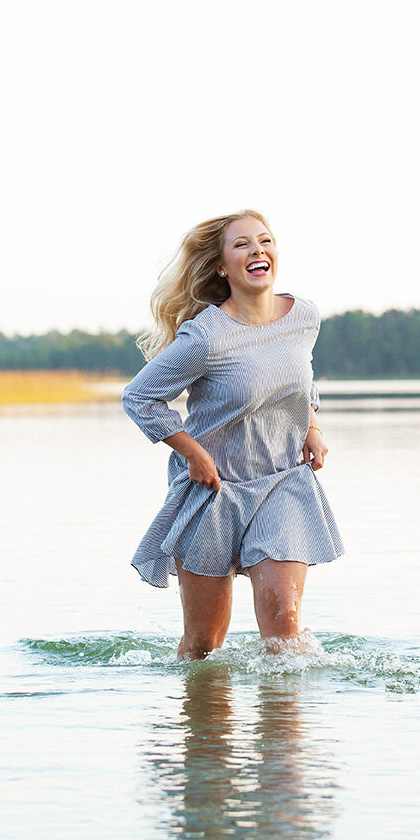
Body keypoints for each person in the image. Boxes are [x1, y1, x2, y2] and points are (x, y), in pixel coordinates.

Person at [122, 210, 345, 659]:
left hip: (284, 480)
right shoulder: (205, 337)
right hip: (215, 490)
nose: (257, 250)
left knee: (284, 630)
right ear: (222, 265)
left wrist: (311, 426)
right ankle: (203, 724)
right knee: (204, 645)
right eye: (242, 244)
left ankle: (283, 724)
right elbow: (140, 397)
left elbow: (298, 376)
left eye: (265, 241)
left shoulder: (303, 317)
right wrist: (193, 455)